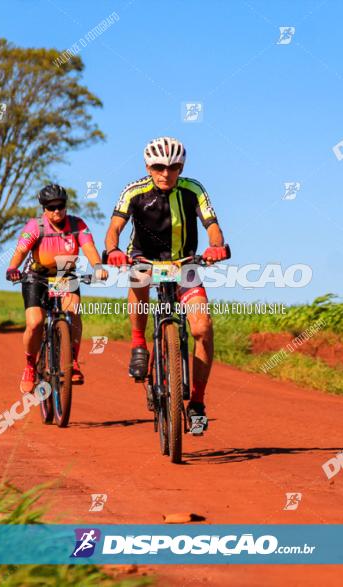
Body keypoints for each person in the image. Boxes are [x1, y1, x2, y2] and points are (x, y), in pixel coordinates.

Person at [104, 136, 227, 423]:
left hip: (184, 263)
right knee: (138, 276)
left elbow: (213, 226)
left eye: (172, 167)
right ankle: (138, 343)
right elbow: (115, 227)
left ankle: (197, 402)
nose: (165, 173)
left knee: (202, 328)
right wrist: (112, 250)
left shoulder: (193, 190)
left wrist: (216, 246)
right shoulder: (133, 192)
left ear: (181, 168)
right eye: (158, 166)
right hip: (144, 259)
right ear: (148, 167)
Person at [5, 184, 107, 394]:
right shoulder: (35, 226)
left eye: (60, 206)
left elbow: (88, 247)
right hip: (37, 276)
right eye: (51, 207)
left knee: (74, 312)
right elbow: (22, 249)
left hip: (64, 275)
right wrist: (13, 268)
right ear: (44, 208)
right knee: (35, 323)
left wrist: (98, 267)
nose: (57, 211)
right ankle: (30, 366)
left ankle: (73, 361)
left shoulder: (77, 224)